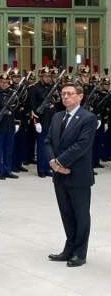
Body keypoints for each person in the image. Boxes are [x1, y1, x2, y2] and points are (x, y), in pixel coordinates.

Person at [45, 83, 96, 267]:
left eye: (70, 94)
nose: (65, 97)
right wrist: (53, 163)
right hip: (60, 175)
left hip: (78, 175)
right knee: (66, 213)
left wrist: (60, 162)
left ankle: (80, 253)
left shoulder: (88, 118)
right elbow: (48, 141)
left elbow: (81, 146)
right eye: (63, 93)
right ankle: (69, 247)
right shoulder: (58, 116)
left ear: (80, 96)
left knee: (80, 215)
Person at [0, 68, 18, 180]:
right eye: (2, 82)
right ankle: (0, 171)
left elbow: (15, 108)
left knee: (9, 150)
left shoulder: (12, 93)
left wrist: (16, 123)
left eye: (6, 83)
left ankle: (8, 170)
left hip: (9, 125)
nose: (4, 84)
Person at [29, 66, 55, 177]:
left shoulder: (52, 87)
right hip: (41, 119)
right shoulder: (35, 88)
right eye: (45, 76)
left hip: (51, 119)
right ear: (41, 77)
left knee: (50, 146)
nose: (48, 78)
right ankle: (41, 169)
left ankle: (48, 168)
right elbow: (32, 106)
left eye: (49, 76)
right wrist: (36, 121)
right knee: (41, 146)